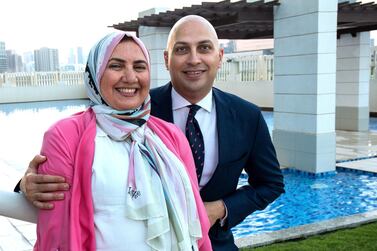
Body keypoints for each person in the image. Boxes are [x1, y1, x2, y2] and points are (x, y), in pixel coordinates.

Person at [16, 15, 284, 250]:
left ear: (220, 57)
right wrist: (26, 185)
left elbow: (271, 183)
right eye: (182, 49)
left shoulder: (247, 116)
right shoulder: (132, 104)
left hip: (213, 243)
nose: (194, 59)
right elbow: (68, 168)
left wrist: (219, 209)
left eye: (204, 48)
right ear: (166, 60)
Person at [13, 31, 212, 251]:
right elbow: (56, 233)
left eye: (139, 66)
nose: (130, 77)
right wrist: (23, 186)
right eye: (116, 66)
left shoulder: (171, 136)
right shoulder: (65, 136)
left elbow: (196, 219)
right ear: (95, 73)